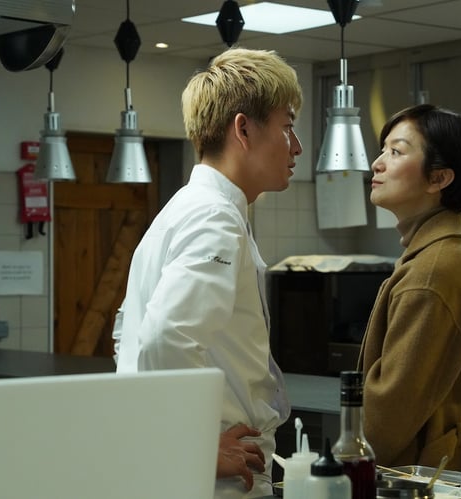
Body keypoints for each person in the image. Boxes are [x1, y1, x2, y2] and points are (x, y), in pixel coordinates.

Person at [112, 46, 303, 498]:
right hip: (216, 480)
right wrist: (192, 445)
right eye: (287, 127)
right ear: (243, 129)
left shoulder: (186, 209)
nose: (295, 146)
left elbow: (126, 332)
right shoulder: (214, 218)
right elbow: (164, 338)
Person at [358, 104, 461, 473]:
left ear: (438, 179)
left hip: (430, 483)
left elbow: (388, 419)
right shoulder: (434, 257)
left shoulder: (432, 272)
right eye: (382, 151)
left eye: (396, 152)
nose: (377, 164)